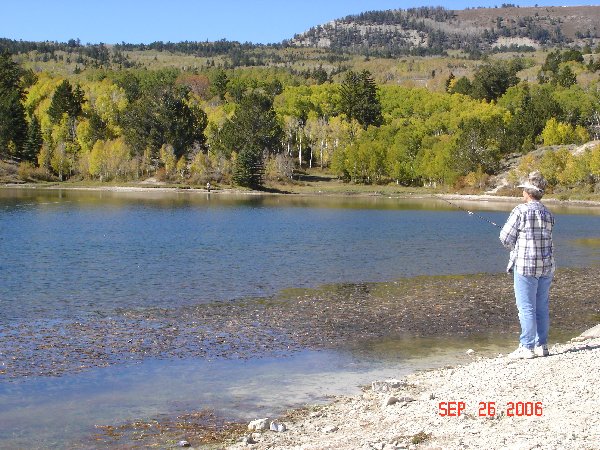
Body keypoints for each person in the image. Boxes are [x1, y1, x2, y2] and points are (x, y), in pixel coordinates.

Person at [499, 171, 555, 359]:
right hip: (546, 266)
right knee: (541, 306)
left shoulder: (520, 210)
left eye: (524, 189)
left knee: (526, 307)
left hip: (525, 266)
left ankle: (527, 346)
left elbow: (505, 238)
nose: (522, 192)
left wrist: (515, 243)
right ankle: (542, 345)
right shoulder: (548, 213)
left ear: (528, 192)